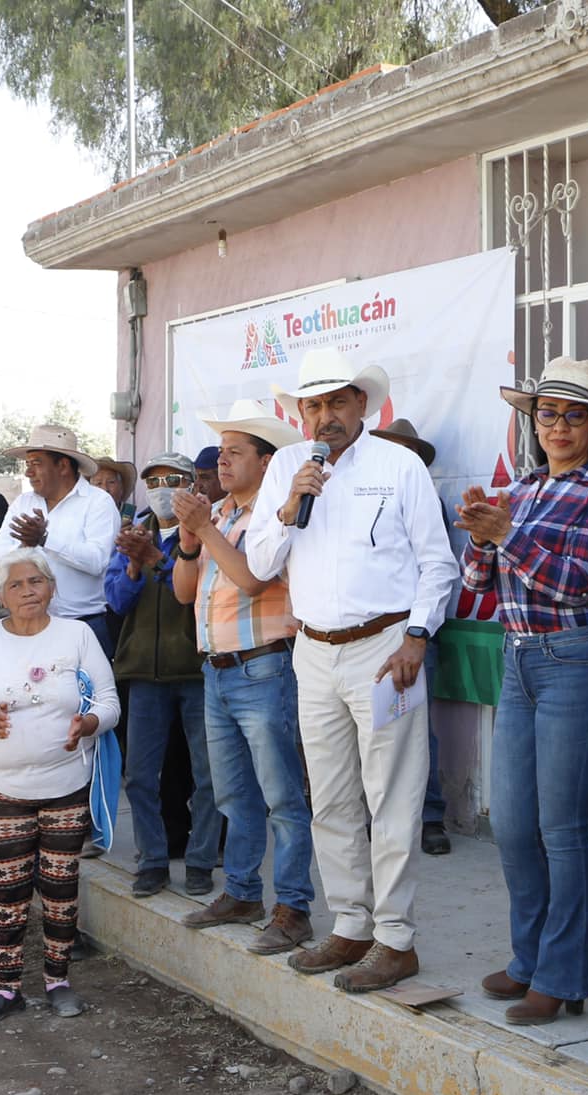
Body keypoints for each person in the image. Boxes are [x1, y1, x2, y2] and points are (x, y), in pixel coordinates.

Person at [245, 345, 460, 992]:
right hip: (312, 652)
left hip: (386, 649)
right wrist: (287, 511)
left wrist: (418, 637)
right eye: (314, 405)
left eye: (338, 401)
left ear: (363, 404)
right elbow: (258, 564)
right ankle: (350, 926)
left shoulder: (397, 466)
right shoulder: (287, 466)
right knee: (331, 796)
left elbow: (437, 563)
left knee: (391, 796)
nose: (325, 416)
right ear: (301, 412)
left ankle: (396, 939)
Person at [461, 358, 588, 1024]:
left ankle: (561, 977)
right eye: (546, 413)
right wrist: (483, 533)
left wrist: (504, 534)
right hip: (520, 659)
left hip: (576, 660)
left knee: (560, 829)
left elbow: (576, 584)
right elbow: (478, 583)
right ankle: (531, 959)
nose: (557, 426)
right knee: (511, 823)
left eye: (573, 414)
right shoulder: (523, 487)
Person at [0, 549, 120, 1023]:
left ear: (52, 587)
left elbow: (109, 701)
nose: (28, 591)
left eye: (36, 581)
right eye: (17, 584)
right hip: (0, 786)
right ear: (1, 594)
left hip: (66, 782)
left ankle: (58, 982)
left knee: (61, 886)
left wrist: (88, 722)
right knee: (9, 888)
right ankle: (7, 989)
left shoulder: (77, 634)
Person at [171, 398, 315, 953]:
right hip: (217, 670)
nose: (222, 462)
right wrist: (189, 540)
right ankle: (244, 891)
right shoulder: (223, 514)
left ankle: (294, 907)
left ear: (266, 460)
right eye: (222, 452)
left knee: (282, 795)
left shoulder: (276, 514)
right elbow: (186, 592)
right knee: (233, 793)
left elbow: (254, 579)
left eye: (235, 452)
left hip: (264, 666)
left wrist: (203, 530)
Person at [105, 451, 217, 898]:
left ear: (192, 484)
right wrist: (134, 565)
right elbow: (115, 600)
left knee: (209, 776)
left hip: (195, 671)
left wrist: (157, 559)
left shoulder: (207, 531)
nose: (161, 486)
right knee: (140, 776)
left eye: (172, 478)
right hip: (144, 676)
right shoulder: (134, 533)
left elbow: (196, 594)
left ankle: (201, 860)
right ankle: (152, 860)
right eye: (153, 479)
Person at [371, 416, 453, 857]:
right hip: (369, 630)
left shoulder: (424, 498)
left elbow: (435, 570)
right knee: (376, 727)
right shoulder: (366, 494)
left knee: (415, 726)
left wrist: (416, 633)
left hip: (412, 629)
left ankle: (430, 817)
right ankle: (384, 819)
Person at [0, 425, 123, 654]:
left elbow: (97, 561)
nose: (29, 472)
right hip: (30, 625)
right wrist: (25, 547)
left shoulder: (98, 502)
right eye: (27, 465)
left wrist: (46, 539)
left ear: (62, 466)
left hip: (85, 624)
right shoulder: (23, 503)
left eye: (37, 463)